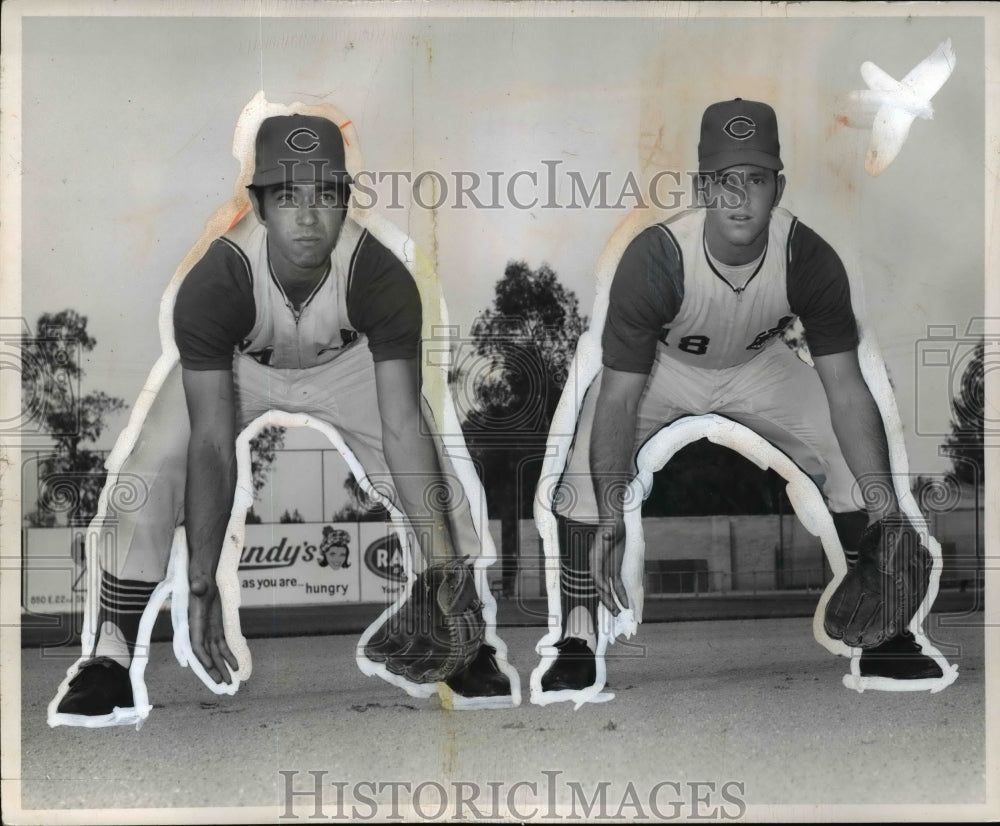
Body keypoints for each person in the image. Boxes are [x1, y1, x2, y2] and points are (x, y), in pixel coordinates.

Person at [49, 109, 515, 727]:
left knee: (435, 471)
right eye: (286, 194)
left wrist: (439, 574)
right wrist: (202, 579)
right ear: (259, 207)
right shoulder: (217, 282)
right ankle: (109, 656)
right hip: (242, 365)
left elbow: (401, 425)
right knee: (154, 460)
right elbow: (213, 446)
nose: (306, 213)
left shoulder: (380, 278)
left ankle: (464, 635)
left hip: (347, 366)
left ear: (346, 202)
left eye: (324, 193)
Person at [537, 98, 944, 697]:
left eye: (755, 180)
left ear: (777, 188)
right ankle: (576, 632)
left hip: (761, 366)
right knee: (579, 475)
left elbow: (847, 388)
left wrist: (888, 512)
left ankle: (889, 634)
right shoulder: (656, 258)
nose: (740, 197)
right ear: (703, 186)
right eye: (726, 181)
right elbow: (620, 398)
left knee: (850, 457)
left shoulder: (808, 257)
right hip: (661, 369)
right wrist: (610, 512)